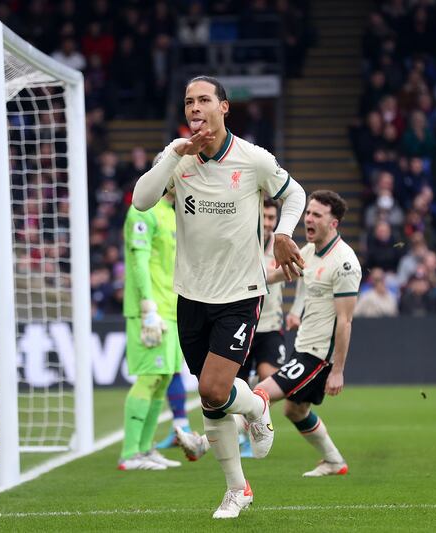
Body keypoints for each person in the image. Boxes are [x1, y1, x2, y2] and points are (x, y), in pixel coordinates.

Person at [132, 75, 306, 518]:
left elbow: (294, 194)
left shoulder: (252, 160)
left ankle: (256, 405)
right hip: (191, 294)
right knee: (211, 399)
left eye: (204, 99)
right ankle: (238, 487)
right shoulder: (177, 158)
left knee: (214, 387)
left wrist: (284, 233)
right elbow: (141, 200)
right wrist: (174, 153)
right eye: (189, 101)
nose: (195, 107)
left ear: (223, 107)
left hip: (240, 292)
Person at [176, 191, 361, 477]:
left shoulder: (345, 262)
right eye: (308, 213)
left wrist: (338, 370)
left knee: (261, 393)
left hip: (318, 356)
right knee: (294, 411)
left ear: (333, 223)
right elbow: (274, 274)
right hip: (303, 346)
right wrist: (237, 280)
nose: (308, 219)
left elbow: (345, 321)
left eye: (316, 215)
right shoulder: (309, 251)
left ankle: (202, 444)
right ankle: (334, 461)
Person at [118, 188, 182, 471]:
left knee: (164, 378)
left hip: (172, 308)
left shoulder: (173, 213)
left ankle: (144, 449)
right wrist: (147, 305)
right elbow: (139, 259)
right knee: (150, 376)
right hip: (151, 309)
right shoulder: (142, 210)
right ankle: (129, 453)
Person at [235, 198, 288, 457]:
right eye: (264, 217)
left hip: (270, 325)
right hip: (243, 323)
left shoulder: (282, 245)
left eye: (271, 218)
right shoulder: (244, 241)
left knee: (268, 381)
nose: (268, 223)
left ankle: (255, 427)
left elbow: (297, 271)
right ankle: (244, 435)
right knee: (238, 386)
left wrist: (297, 311)